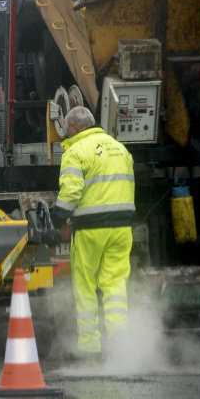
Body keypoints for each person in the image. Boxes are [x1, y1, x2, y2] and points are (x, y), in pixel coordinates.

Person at [52, 106, 135, 357]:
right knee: (115, 284)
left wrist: (58, 219)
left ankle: (89, 347)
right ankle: (120, 344)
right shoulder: (119, 148)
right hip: (122, 229)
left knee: (85, 286)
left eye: (68, 129)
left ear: (75, 127)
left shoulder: (76, 152)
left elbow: (71, 192)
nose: (66, 134)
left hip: (90, 229)